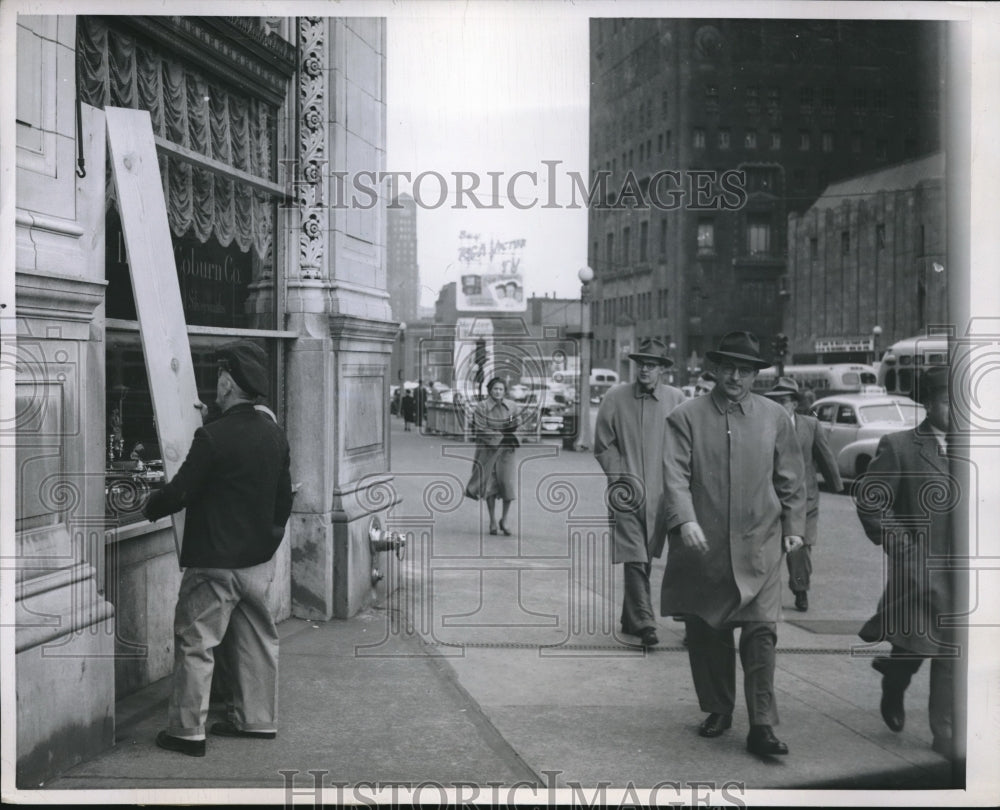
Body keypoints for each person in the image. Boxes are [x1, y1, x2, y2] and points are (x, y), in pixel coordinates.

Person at [144, 340, 293, 757]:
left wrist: (150, 506)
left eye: (219, 378)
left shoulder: (212, 436)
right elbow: (285, 499)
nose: (216, 385)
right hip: (256, 561)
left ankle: (187, 731)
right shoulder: (274, 435)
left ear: (228, 383)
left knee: (197, 641)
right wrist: (269, 539)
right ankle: (257, 720)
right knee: (257, 639)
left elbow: (180, 492)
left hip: (213, 561)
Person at [660, 331, 806, 756]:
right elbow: (674, 474)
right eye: (728, 368)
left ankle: (762, 725)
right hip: (704, 547)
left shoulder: (775, 417)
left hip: (761, 543)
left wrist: (794, 525)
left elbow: (792, 479)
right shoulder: (686, 416)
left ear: (755, 375)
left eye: (745, 370)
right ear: (715, 371)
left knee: (761, 633)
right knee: (709, 632)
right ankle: (718, 708)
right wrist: (684, 518)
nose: (736, 377)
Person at [853, 366, 958, 758]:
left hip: (962, 576)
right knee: (913, 648)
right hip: (918, 572)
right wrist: (905, 549)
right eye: (948, 401)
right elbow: (872, 502)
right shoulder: (899, 446)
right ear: (928, 405)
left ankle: (946, 732)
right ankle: (894, 682)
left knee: (952, 652)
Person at [594, 337, 685, 648]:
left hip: (663, 495)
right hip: (626, 493)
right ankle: (645, 622)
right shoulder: (615, 397)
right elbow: (603, 444)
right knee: (634, 556)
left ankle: (630, 617)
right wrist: (620, 478)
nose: (645, 369)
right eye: (641, 364)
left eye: (652, 364)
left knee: (645, 558)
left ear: (661, 369)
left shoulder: (677, 400)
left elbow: (686, 445)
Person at [763, 376, 844, 611]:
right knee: (769, 551)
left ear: (795, 404)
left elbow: (825, 457)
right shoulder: (765, 427)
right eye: (775, 401)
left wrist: (836, 486)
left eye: (784, 401)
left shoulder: (810, 425)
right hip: (772, 498)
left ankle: (800, 589)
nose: (779, 406)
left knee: (800, 550)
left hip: (805, 501)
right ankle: (766, 596)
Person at [465, 376, 522, 536]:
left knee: (507, 484)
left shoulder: (511, 406)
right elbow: (481, 427)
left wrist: (513, 434)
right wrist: (499, 436)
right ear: (489, 390)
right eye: (495, 389)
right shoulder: (482, 407)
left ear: (505, 391)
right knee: (489, 485)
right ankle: (491, 520)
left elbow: (518, 423)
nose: (498, 392)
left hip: (506, 450)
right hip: (488, 450)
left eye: (501, 389)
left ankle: (504, 519)